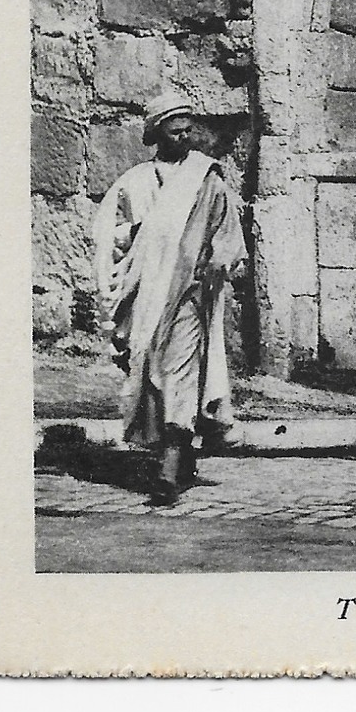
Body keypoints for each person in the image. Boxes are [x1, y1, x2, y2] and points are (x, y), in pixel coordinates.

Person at [91, 92, 247, 505]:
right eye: (173, 126)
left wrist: (211, 263)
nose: (182, 132)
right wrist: (138, 237)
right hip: (146, 301)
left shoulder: (207, 179)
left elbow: (228, 237)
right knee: (152, 376)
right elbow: (112, 235)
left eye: (187, 126)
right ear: (157, 131)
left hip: (189, 297)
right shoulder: (135, 183)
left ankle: (168, 470)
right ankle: (181, 455)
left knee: (177, 374)